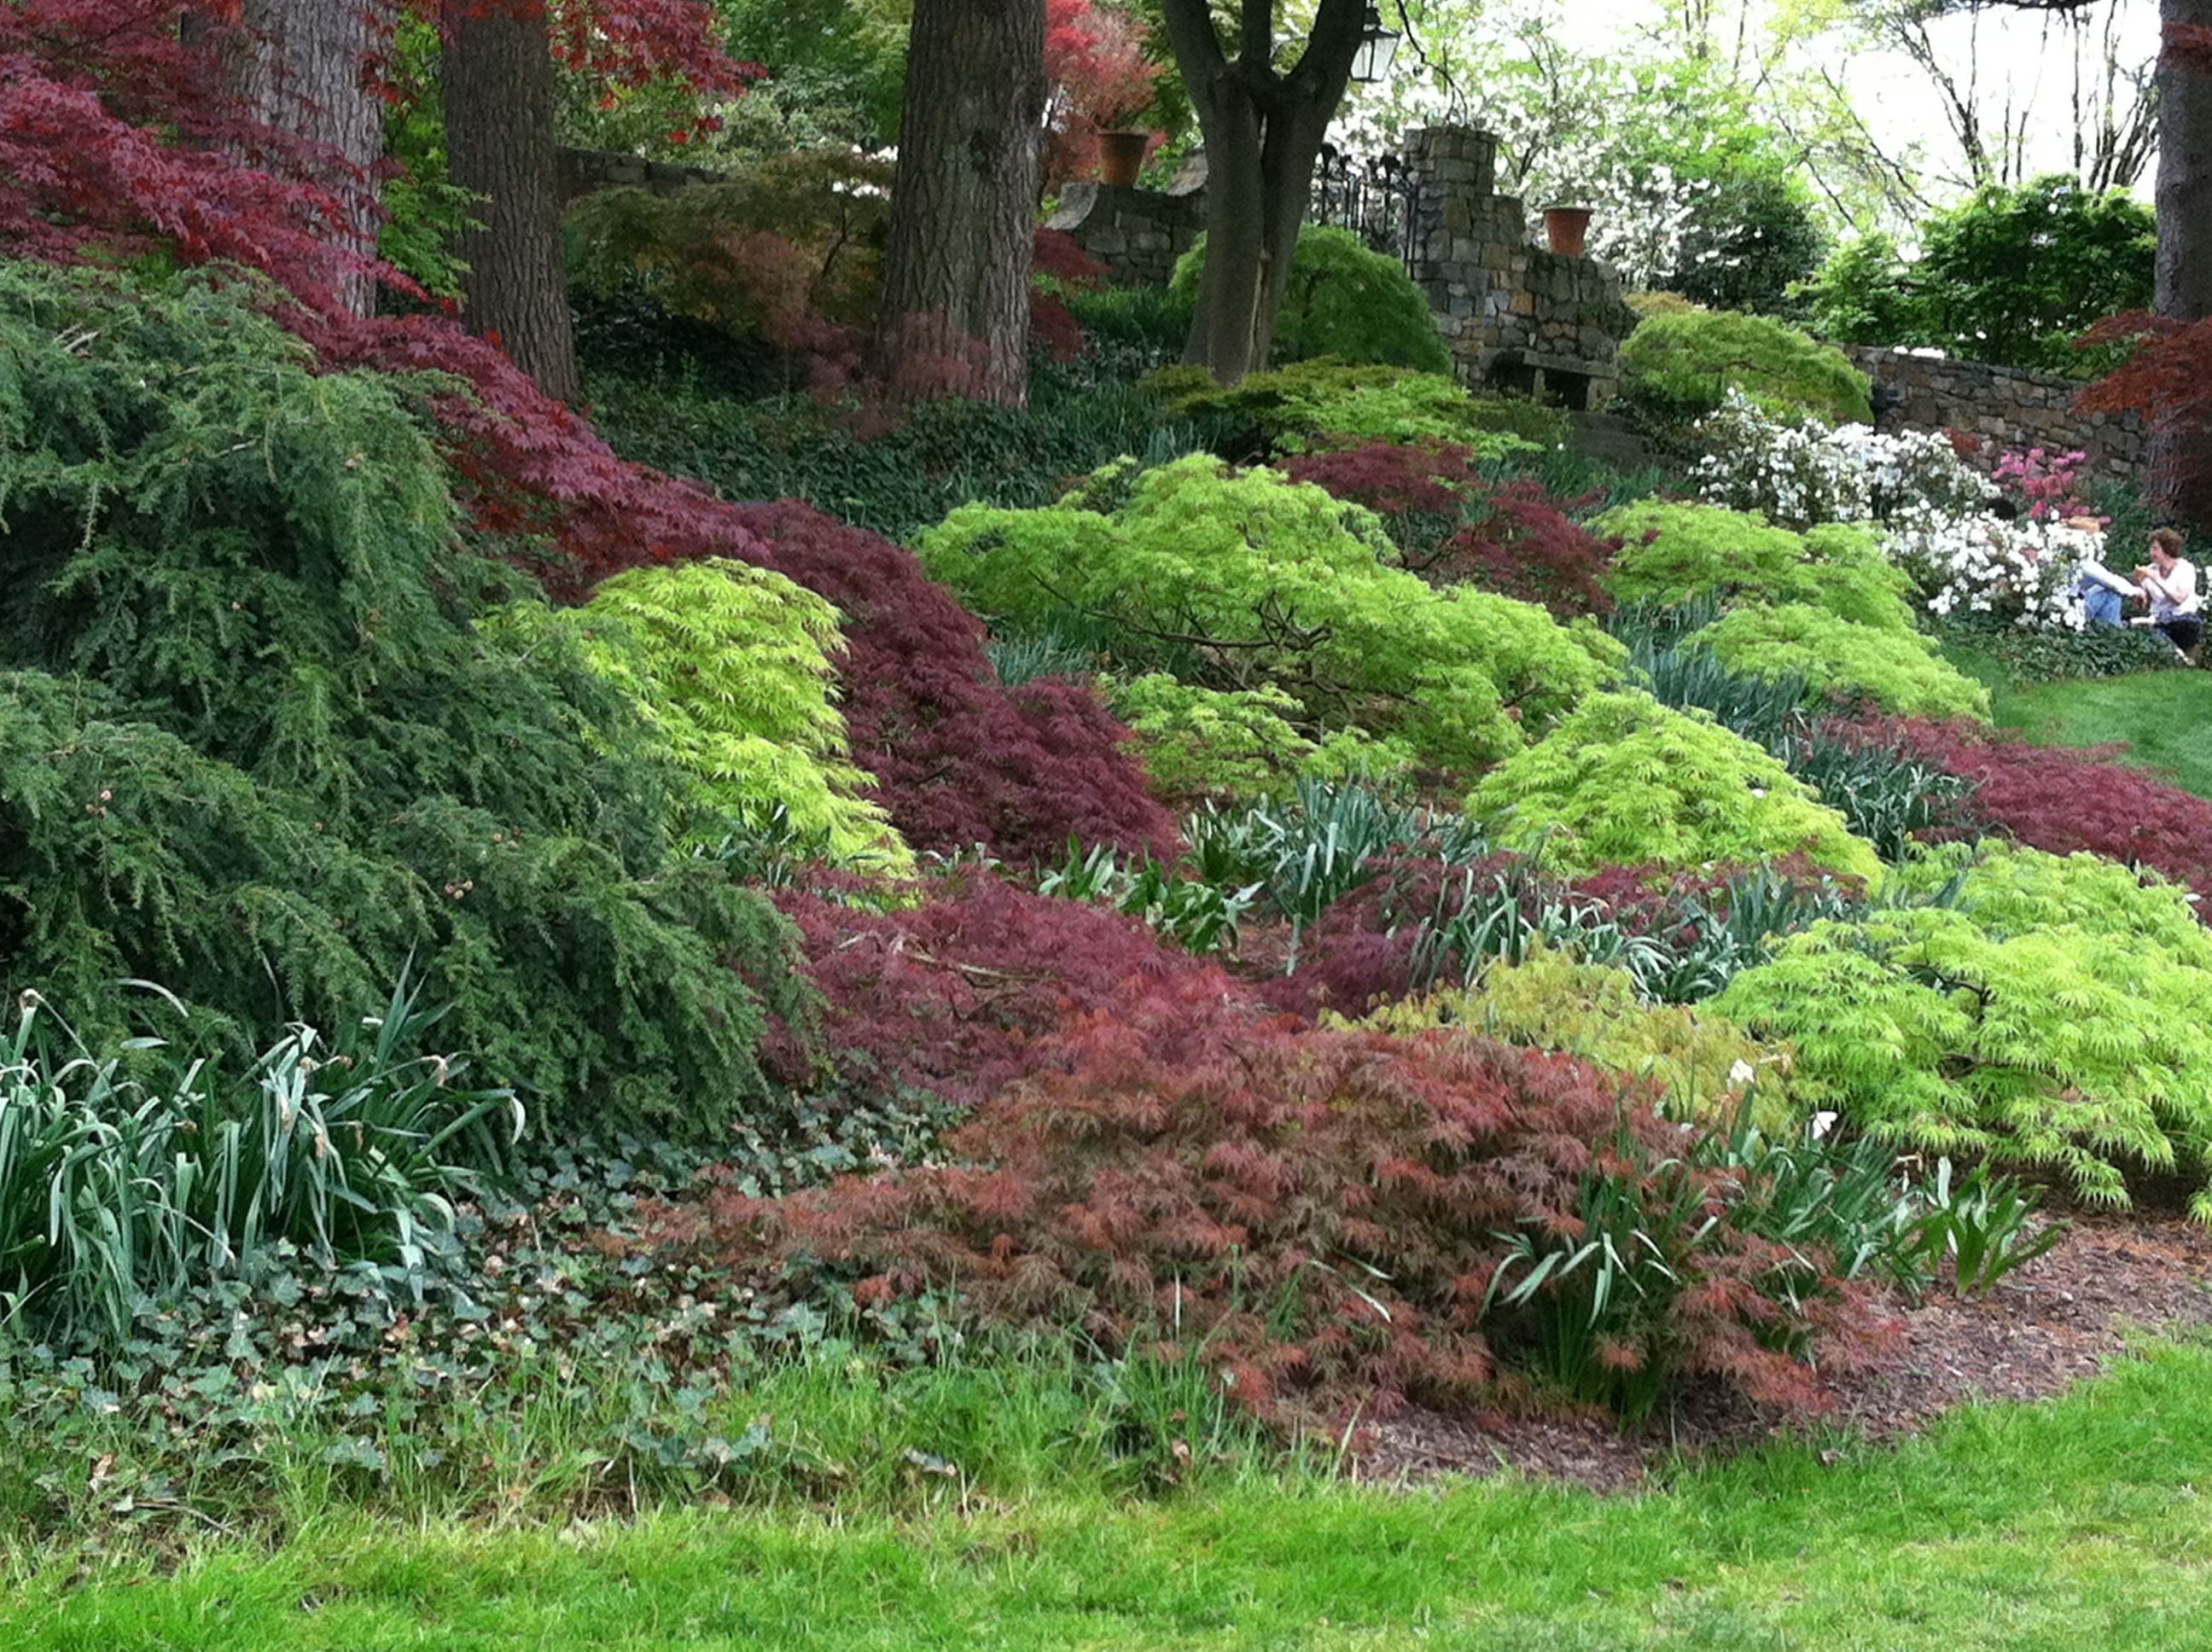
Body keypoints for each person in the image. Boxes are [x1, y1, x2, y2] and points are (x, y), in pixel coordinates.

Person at [2129, 527, 2202, 663]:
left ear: (2168, 550)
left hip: (2183, 619)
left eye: (2155, 549)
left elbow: (2179, 599)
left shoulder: (2185, 568)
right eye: (2151, 548)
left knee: (2154, 627)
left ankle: (2178, 656)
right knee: (2145, 628)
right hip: (2159, 620)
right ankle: (2180, 658)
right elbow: (2142, 605)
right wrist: (2139, 588)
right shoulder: (2151, 569)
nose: (2152, 553)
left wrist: (2157, 580)